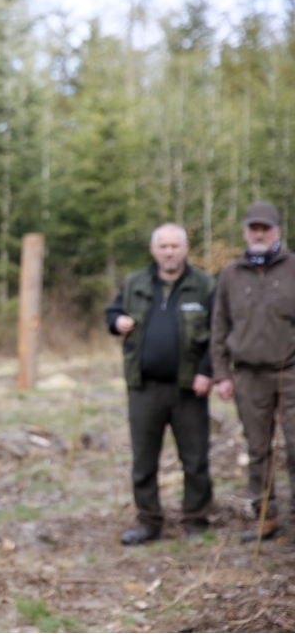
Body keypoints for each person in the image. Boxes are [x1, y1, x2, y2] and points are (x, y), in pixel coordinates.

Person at [105, 224, 215, 545]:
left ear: (185, 249)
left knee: (195, 459)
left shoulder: (205, 285)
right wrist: (117, 321)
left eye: (175, 246)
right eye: (163, 246)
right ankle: (148, 522)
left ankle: (196, 521)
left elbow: (219, 333)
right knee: (143, 460)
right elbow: (112, 312)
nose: (169, 252)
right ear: (153, 250)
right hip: (144, 387)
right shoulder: (134, 282)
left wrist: (207, 371)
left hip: (189, 387)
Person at [211, 201, 295, 543]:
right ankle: (265, 515)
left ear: (277, 231)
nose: (259, 234)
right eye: (253, 228)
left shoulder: (293, 268)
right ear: (245, 232)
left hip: (290, 372)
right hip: (247, 375)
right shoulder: (231, 275)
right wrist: (222, 374)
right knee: (258, 448)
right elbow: (219, 327)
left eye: (265, 228)